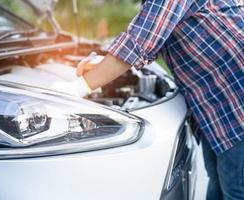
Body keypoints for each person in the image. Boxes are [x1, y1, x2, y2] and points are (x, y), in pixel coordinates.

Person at [76, 0, 244, 199]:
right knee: (218, 179)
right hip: (214, 104)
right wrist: (101, 65)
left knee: (235, 189)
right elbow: (155, 35)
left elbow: (139, 41)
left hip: (236, 99)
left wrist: (76, 87)